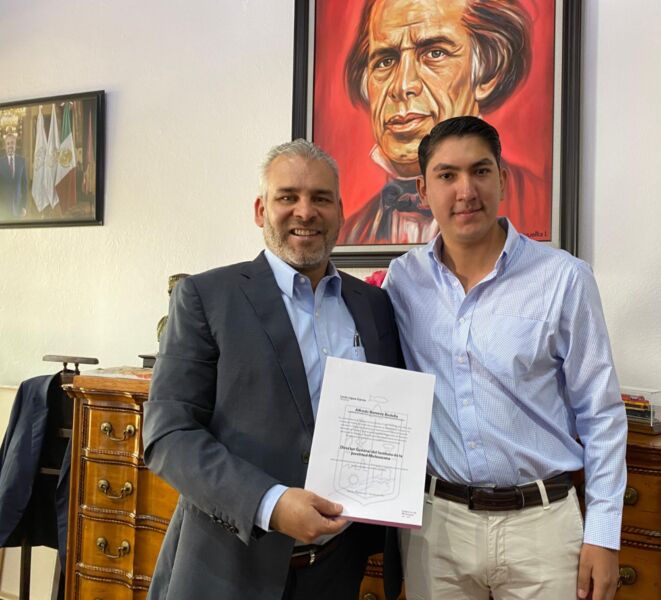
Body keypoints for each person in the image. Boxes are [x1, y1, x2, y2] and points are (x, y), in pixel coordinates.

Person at [142, 139, 404, 599]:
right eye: (288, 197)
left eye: (321, 198)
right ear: (261, 210)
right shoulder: (206, 297)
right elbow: (169, 434)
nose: (306, 211)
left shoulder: (374, 304)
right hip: (229, 567)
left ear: (341, 211)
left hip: (337, 570)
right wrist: (271, 503)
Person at [383, 116, 627, 600]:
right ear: (423, 189)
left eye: (480, 171)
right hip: (438, 528)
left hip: (542, 528)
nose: (466, 191)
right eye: (447, 175)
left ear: (503, 179)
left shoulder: (563, 278)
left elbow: (601, 413)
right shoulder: (403, 281)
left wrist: (603, 535)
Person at [338, 0, 548, 245]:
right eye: (386, 61)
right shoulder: (349, 232)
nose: (402, 86)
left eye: (435, 53)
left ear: (489, 72)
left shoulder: (537, 200)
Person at [0, 133, 28, 219]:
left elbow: (24, 185)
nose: (10, 145)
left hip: (18, 207)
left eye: (12, 143)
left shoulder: (22, 161)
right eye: (8, 143)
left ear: (15, 145)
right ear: (5, 146)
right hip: (3, 207)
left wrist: (24, 206)